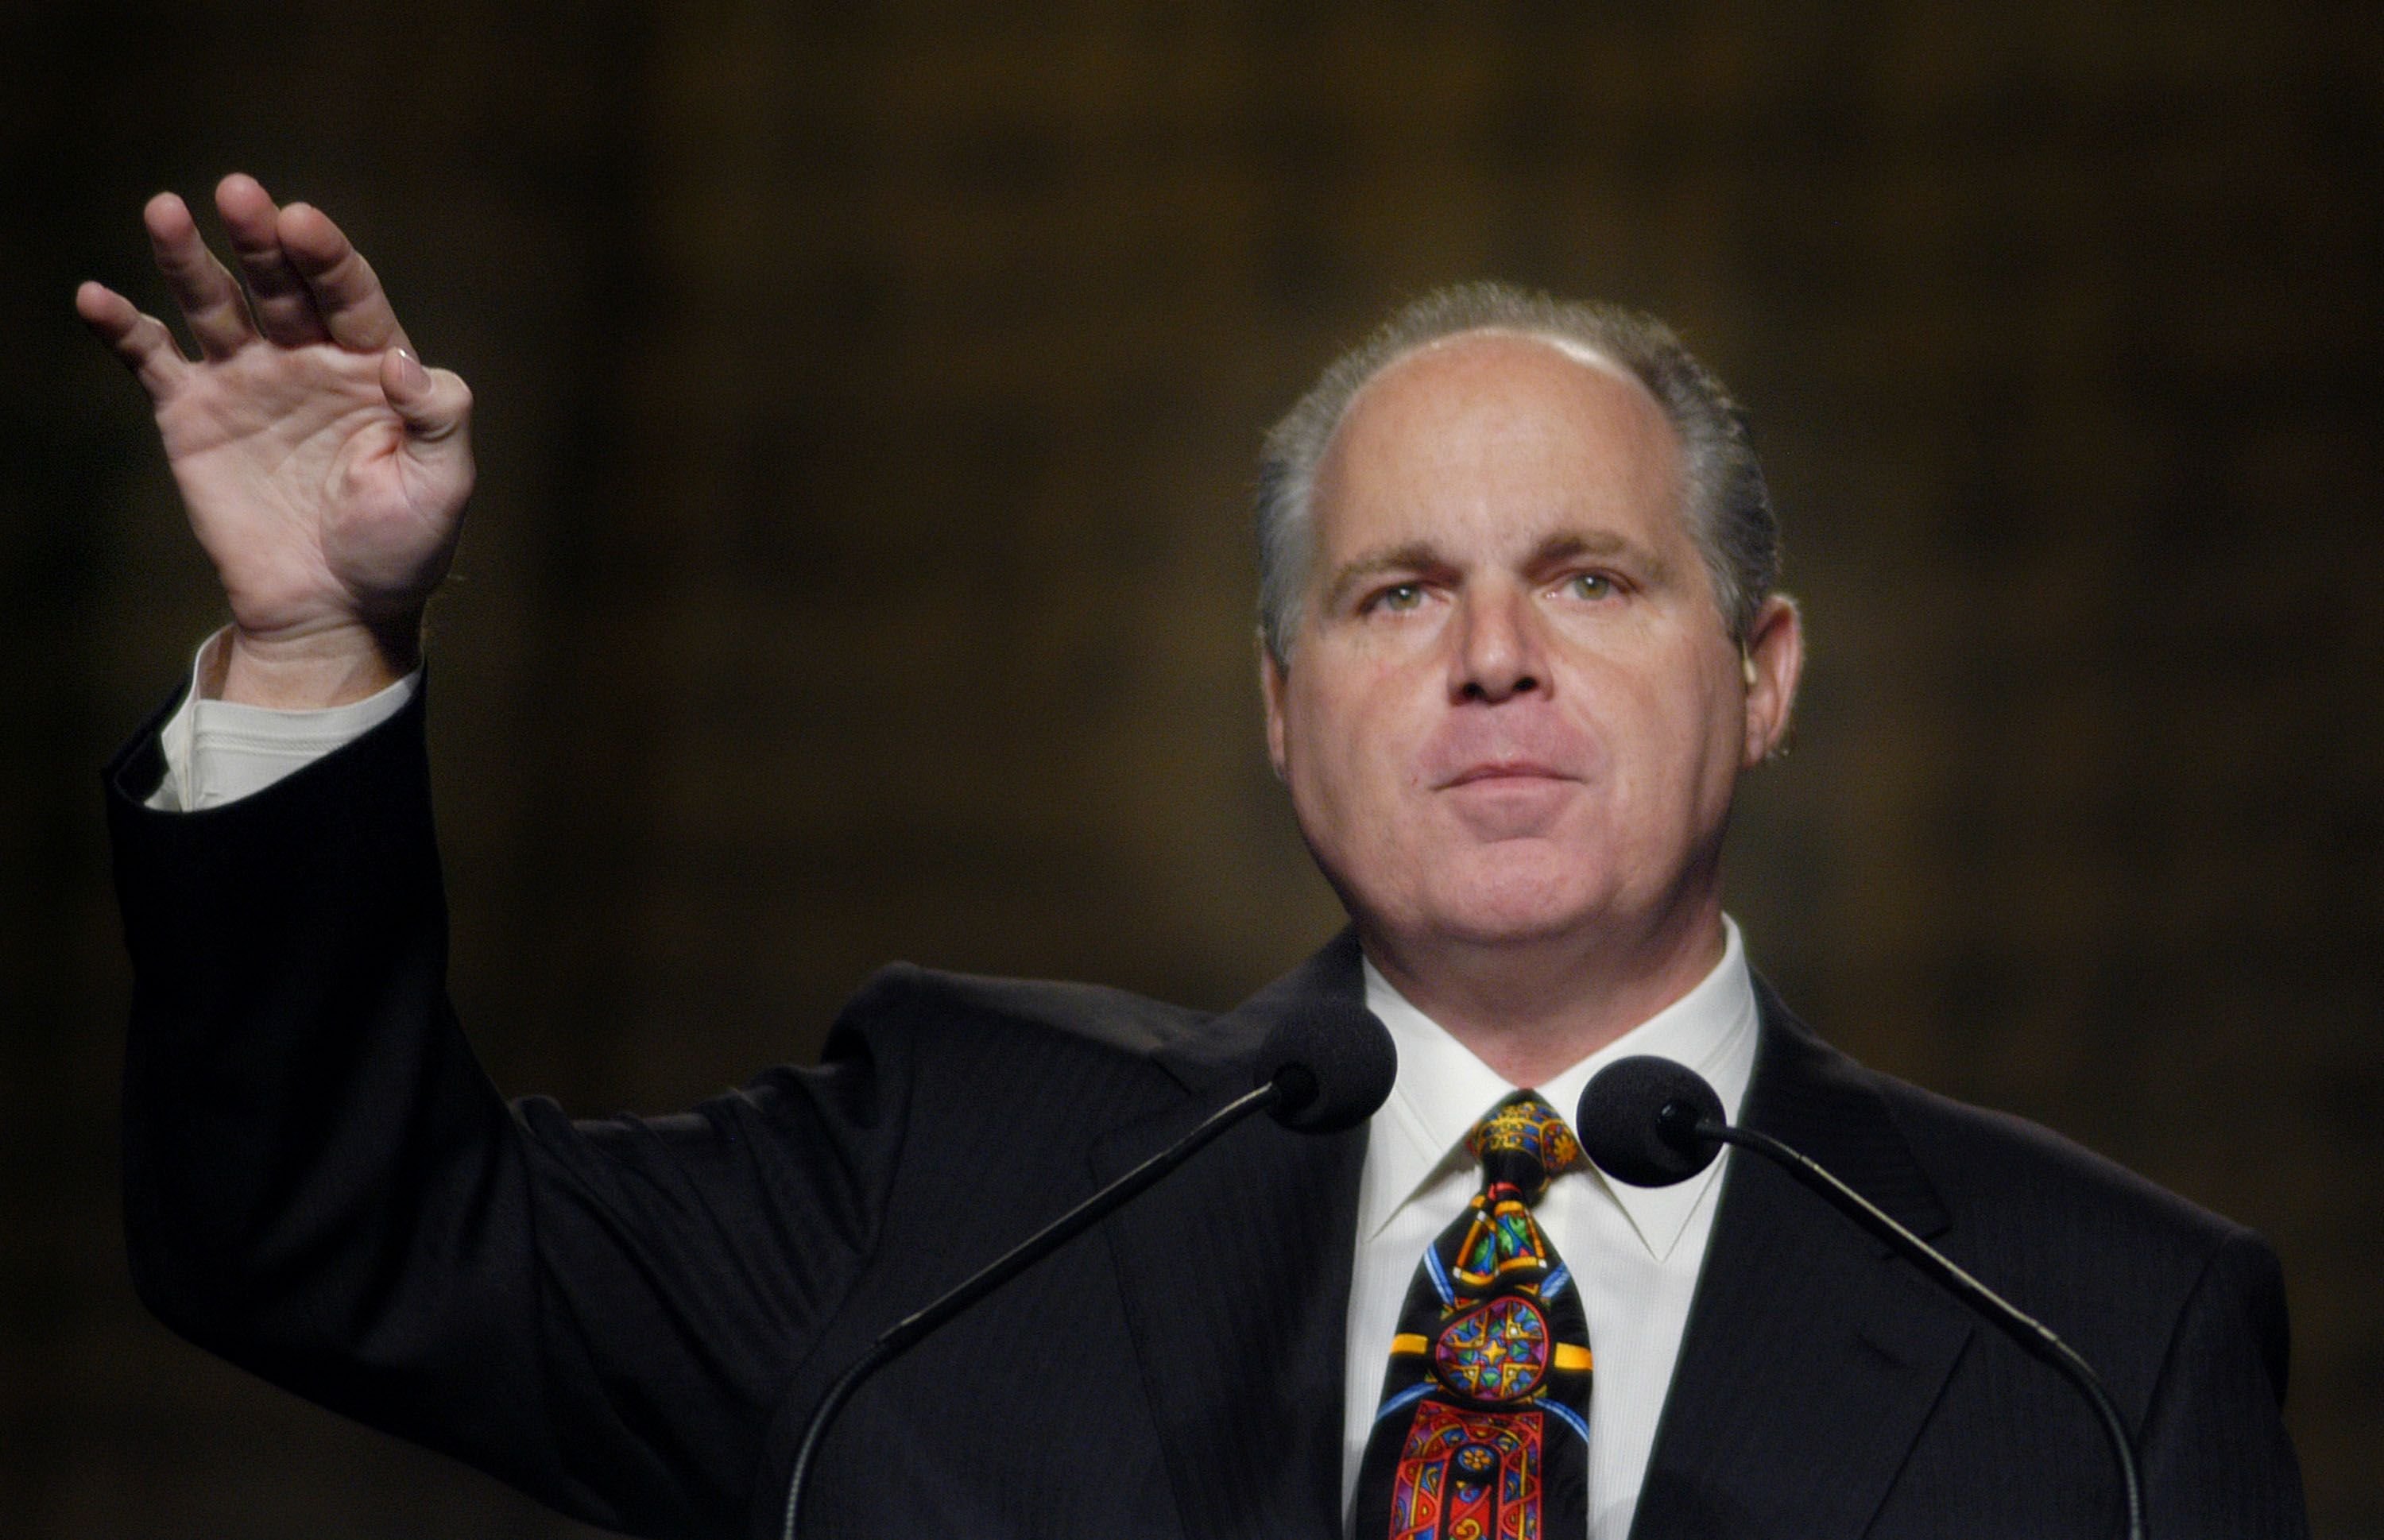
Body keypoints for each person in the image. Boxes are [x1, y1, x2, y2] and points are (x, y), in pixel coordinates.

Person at [87, 174, 2309, 1539]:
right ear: (1279, 702)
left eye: (1595, 580)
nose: (1497, 660)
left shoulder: (2096, 1336)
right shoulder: (948, 1187)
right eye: (1396, 592)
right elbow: (328, 1236)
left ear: (1765, 669)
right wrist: (310, 637)